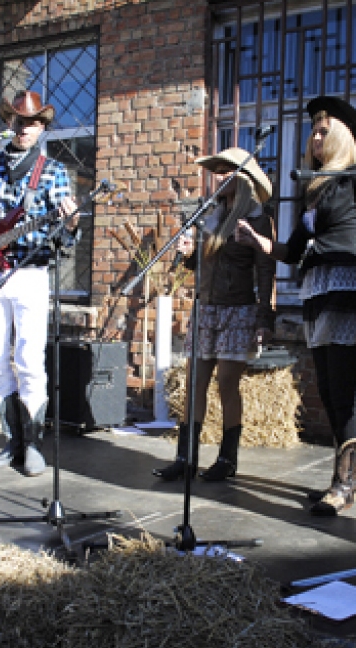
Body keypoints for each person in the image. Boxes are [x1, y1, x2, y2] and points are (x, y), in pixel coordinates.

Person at [237, 97, 356, 516]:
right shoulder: (315, 188)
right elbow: (291, 251)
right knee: (328, 389)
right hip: (317, 292)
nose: (315, 137)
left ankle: (349, 481)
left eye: (324, 130)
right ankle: (345, 479)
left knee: (343, 390)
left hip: (347, 290)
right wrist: (258, 240)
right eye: (314, 131)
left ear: (343, 137)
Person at [0, 90, 80, 475]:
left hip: (29, 272)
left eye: (32, 122)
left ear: (43, 126)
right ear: (9, 122)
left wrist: (72, 222)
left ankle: (32, 443)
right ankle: (12, 439)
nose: (24, 127)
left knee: (29, 359)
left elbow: (64, 235)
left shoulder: (53, 172)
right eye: (18, 120)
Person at [151, 148, 276, 483]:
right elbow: (206, 267)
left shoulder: (258, 219)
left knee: (226, 385)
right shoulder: (211, 216)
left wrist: (265, 319)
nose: (218, 177)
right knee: (195, 384)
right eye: (216, 170)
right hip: (206, 307)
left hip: (238, 310)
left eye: (226, 171)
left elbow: (266, 273)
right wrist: (190, 256)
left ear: (243, 178)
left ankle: (227, 458)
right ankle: (185, 458)